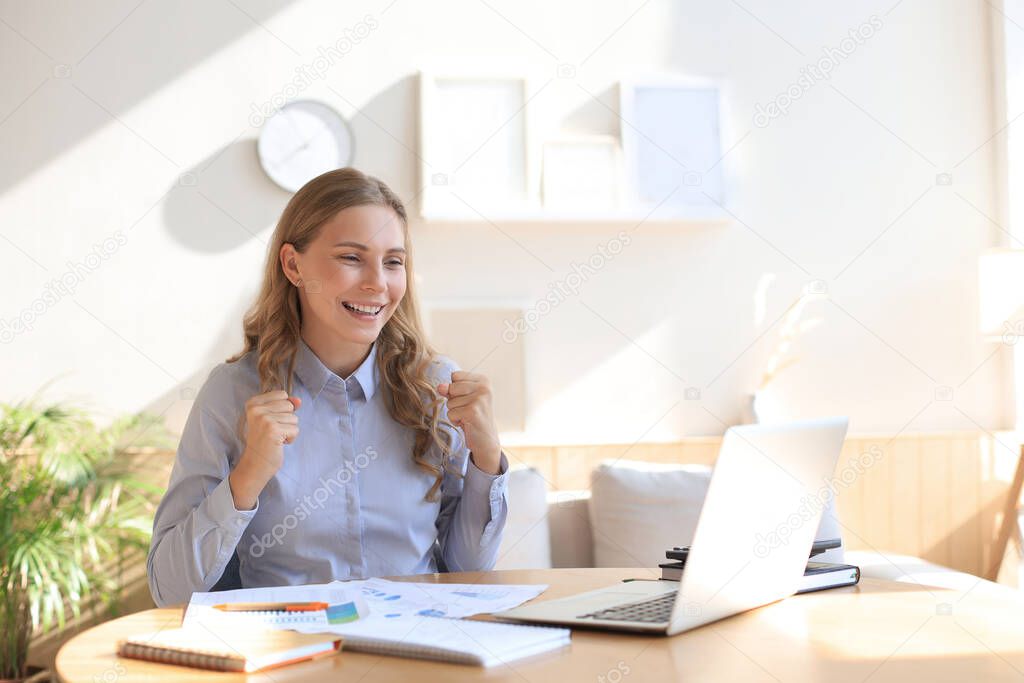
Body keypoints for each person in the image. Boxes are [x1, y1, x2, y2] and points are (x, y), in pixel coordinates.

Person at [147, 168, 509, 607]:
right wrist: (248, 478)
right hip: (295, 656)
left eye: (393, 261)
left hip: (416, 650)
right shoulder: (232, 394)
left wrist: (487, 459)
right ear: (293, 265)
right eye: (351, 258)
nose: (378, 282)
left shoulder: (434, 388)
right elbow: (169, 593)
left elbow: (466, 572)